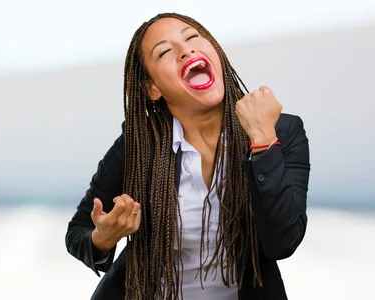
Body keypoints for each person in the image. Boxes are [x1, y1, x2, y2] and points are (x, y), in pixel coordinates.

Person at [65, 12, 311, 300]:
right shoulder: (139, 144)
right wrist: (102, 240)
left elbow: (282, 243)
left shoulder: (281, 130)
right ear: (153, 88)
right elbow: (78, 232)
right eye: (165, 51)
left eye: (192, 37)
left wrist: (263, 141)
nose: (186, 50)